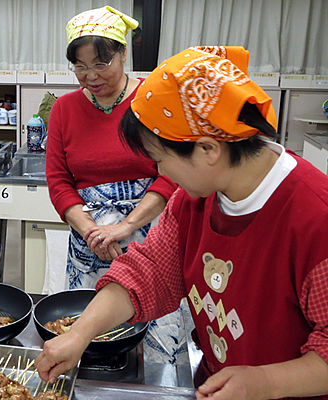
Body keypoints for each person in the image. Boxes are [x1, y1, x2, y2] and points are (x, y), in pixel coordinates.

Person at [36, 46, 328, 400]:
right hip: (218, 384)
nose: (159, 172)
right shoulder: (194, 201)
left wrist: (262, 383)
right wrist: (80, 334)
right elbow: (146, 272)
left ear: (208, 150)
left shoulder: (315, 219)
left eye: (159, 159)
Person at [45, 6, 181, 364]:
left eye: (101, 63)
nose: (90, 76)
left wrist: (126, 226)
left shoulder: (152, 101)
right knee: (87, 339)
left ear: (124, 53)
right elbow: (59, 181)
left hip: (150, 235)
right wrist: (91, 230)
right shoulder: (64, 109)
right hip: (88, 240)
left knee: (155, 340)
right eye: (80, 66)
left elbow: (172, 174)